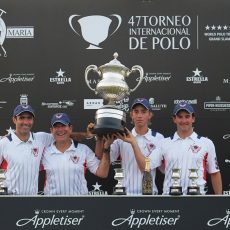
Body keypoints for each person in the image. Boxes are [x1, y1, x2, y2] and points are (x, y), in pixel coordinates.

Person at [0, 104, 94, 195]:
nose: (26, 122)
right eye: (22, 118)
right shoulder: (4, 143)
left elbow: (64, 135)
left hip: (31, 200)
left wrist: (86, 135)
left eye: (29, 118)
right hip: (9, 199)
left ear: (33, 120)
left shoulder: (41, 138)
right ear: (14, 119)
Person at [96, 98, 164, 195]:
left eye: (143, 112)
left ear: (150, 115)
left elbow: (146, 168)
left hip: (149, 194)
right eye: (136, 112)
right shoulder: (121, 137)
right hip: (126, 194)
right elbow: (101, 159)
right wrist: (103, 142)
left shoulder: (158, 138)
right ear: (132, 115)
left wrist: (133, 142)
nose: (139, 115)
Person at [158, 101, 222, 195]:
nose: (184, 121)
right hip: (170, 199)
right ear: (174, 119)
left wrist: (219, 201)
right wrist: (134, 143)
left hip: (197, 201)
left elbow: (214, 173)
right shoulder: (163, 143)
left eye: (187, 116)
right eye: (180, 117)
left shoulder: (206, 143)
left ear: (193, 118)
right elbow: (149, 165)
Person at [41, 112, 110, 195]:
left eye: (63, 125)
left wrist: (106, 148)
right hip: (51, 205)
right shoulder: (44, 152)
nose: (60, 129)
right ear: (51, 130)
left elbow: (102, 173)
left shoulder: (83, 149)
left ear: (70, 128)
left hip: (79, 204)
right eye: (56, 126)